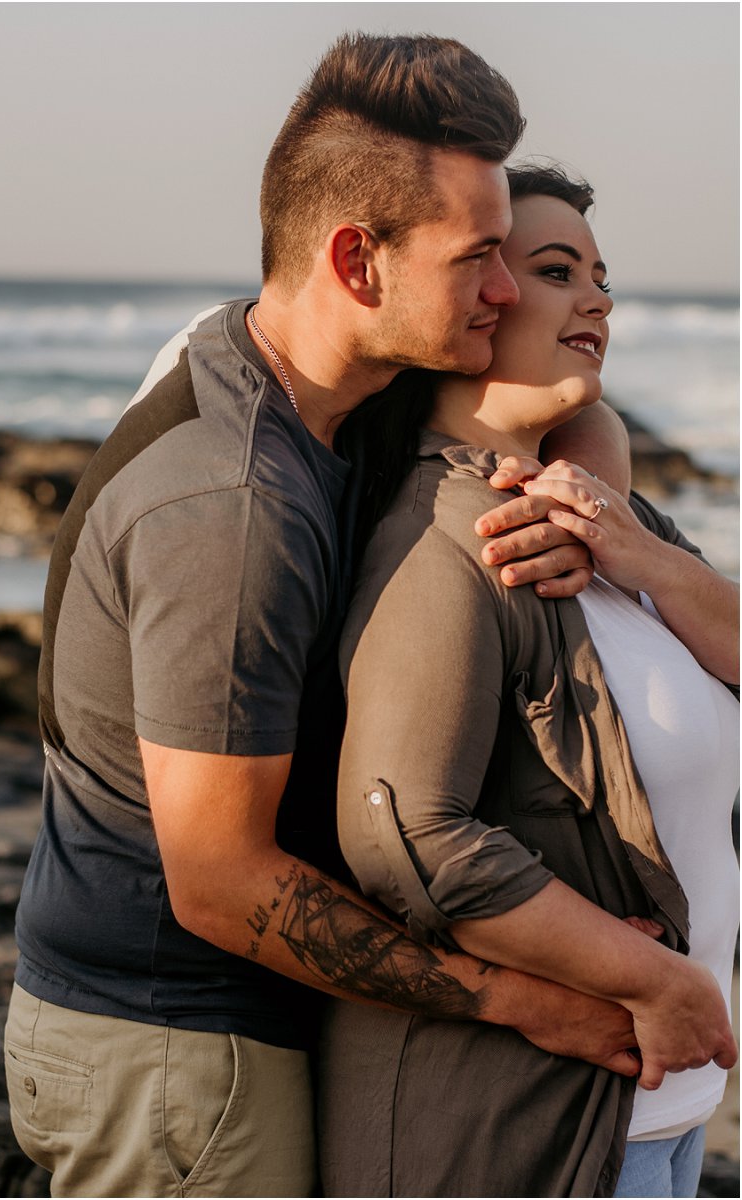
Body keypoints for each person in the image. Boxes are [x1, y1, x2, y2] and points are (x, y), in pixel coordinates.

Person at [2, 34, 734, 1199]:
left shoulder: (303, 382)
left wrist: (592, 476)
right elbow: (225, 881)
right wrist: (534, 999)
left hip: (233, 1021)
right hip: (179, 1041)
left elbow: (546, 401)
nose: (508, 292)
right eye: (482, 259)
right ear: (355, 260)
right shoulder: (235, 505)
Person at [317, 165, 739, 1198]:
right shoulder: (456, 536)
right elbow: (405, 832)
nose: (598, 300)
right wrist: (658, 979)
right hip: (531, 1133)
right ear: (474, 299)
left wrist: (644, 555)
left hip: (662, 1120)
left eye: (600, 276)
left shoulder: (609, 520)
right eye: (556, 270)